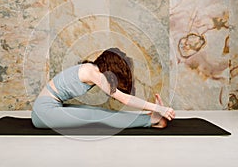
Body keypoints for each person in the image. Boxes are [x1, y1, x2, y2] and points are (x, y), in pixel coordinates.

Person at [31, 48, 175, 130]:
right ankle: (150, 121)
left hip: (52, 107)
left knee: (97, 111)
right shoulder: (93, 73)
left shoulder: (91, 69)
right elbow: (124, 98)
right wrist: (158, 108)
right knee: (98, 117)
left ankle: (149, 118)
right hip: (43, 113)